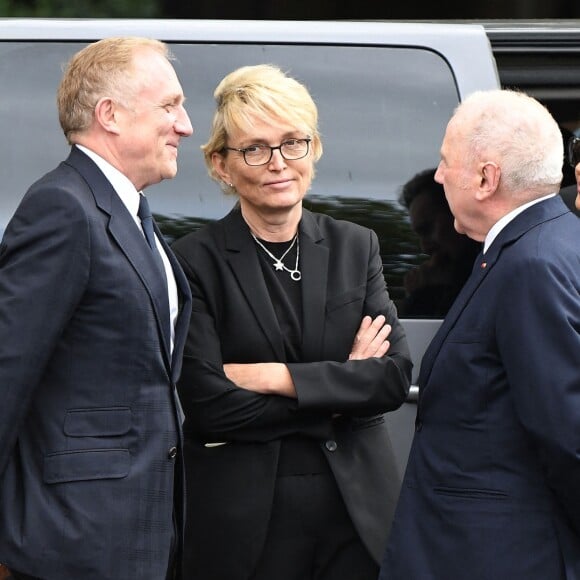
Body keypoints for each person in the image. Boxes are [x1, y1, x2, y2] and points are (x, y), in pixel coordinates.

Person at [171, 64, 412, 580]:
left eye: (293, 143)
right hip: (246, 528)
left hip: (356, 518)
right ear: (220, 165)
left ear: (314, 149)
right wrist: (341, 389)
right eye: (255, 149)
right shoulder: (193, 260)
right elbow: (211, 407)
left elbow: (391, 377)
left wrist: (276, 378)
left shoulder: (356, 245)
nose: (279, 163)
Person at [0, 37, 193, 580]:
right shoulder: (63, 207)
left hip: (133, 532)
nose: (185, 125)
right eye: (169, 106)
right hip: (73, 540)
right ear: (109, 114)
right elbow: (8, 370)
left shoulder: (128, 212)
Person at [380, 89, 580, 579]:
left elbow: (568, 436)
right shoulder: (538, 244)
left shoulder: (531, 264)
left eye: (446, 161)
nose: (441, 174)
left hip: (501, 556)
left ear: (487, 178)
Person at [398, 167, 481, 317]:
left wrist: (426, 293)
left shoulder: (493, 277)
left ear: (458, 216)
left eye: (427, 229)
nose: (425, 247)